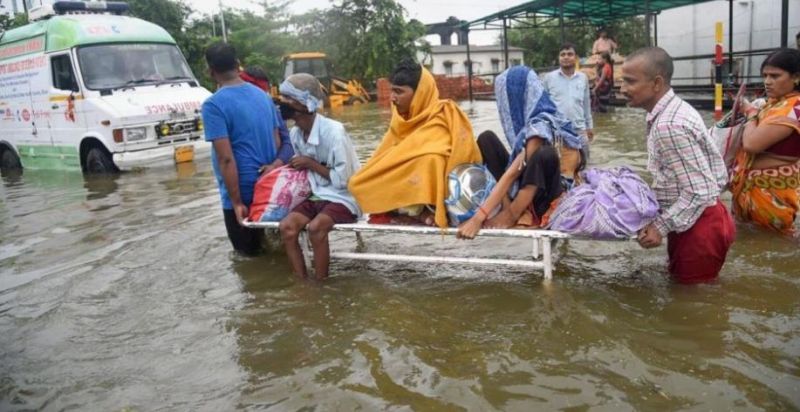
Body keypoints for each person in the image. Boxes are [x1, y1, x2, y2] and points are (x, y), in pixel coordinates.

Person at [621, 46, 735, 284]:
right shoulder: (672, 111)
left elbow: (699, 190)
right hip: (697, 219)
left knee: (693, 306)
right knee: (689, 291)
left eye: (630, 82)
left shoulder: (668, 126)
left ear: (656, 83)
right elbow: (711, 177)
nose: (622, 89)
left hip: (700, 226)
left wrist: (659, 227)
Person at [348, 58, 482, 228]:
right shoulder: (400, 119)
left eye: (399, 92)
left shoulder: (442, 116)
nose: (392, 98)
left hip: (445, 192)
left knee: (431, 159)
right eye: (392, 91)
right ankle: (410, 209)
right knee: (357, 183)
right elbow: (384, 156)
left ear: (420, 93)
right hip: (408, 186)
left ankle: (424, 210)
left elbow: (457, 155)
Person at [457, 65, 585, 239]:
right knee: (486, 139)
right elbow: (517, 166)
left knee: (544, 154)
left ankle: (513, 214)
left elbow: (512, 173)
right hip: (529, 180)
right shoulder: (530, 125)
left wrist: (478, 218)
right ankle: (507, 205)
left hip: (551, 193)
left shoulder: (540, 124)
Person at [277, 73, 361, 280]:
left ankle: (321, 284)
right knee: (286, 227)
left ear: (306, 104)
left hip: (344, 197)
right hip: (317, 194)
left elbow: (345, 180)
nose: (283, 103)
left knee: (315, 229)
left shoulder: (334, 132)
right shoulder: (296, 134)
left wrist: (310, 164)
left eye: (289, 99)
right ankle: (302, 283)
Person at [201, 42, 281, 255]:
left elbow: (226, 158)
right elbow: (276, 140)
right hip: (269, 185)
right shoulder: (263, 97)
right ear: (238, 65)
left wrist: (236, 202)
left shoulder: (213, 106)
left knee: (248, 259)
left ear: (210, 71)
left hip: (242, 190)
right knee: (272, 252)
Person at [732, 48, 800, 238]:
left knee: (778, 241)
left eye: (775, 76)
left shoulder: (795, 107)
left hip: (772, 192)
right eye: (765, 75)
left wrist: (751, 113)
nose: (768, 81)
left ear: (796, 77)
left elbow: (752, 144)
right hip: (752, 188)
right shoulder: (774, 103)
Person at [239, 66, 294, 173]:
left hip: (269, 171)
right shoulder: (233, 109)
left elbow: (288, 142)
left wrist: (275, 165)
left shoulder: (272, 109)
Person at [543, 42, 594, 146]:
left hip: (580, 130)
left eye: (570, 54)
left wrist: (589, 127)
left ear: (576, 58)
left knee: (584, 160)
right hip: (557, 131)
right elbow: (544, 107)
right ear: (559, 58)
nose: (566, 57)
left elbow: (586, 105)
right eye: (563, 54)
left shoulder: (583, 78)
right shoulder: (548, 78)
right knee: (559, 161)